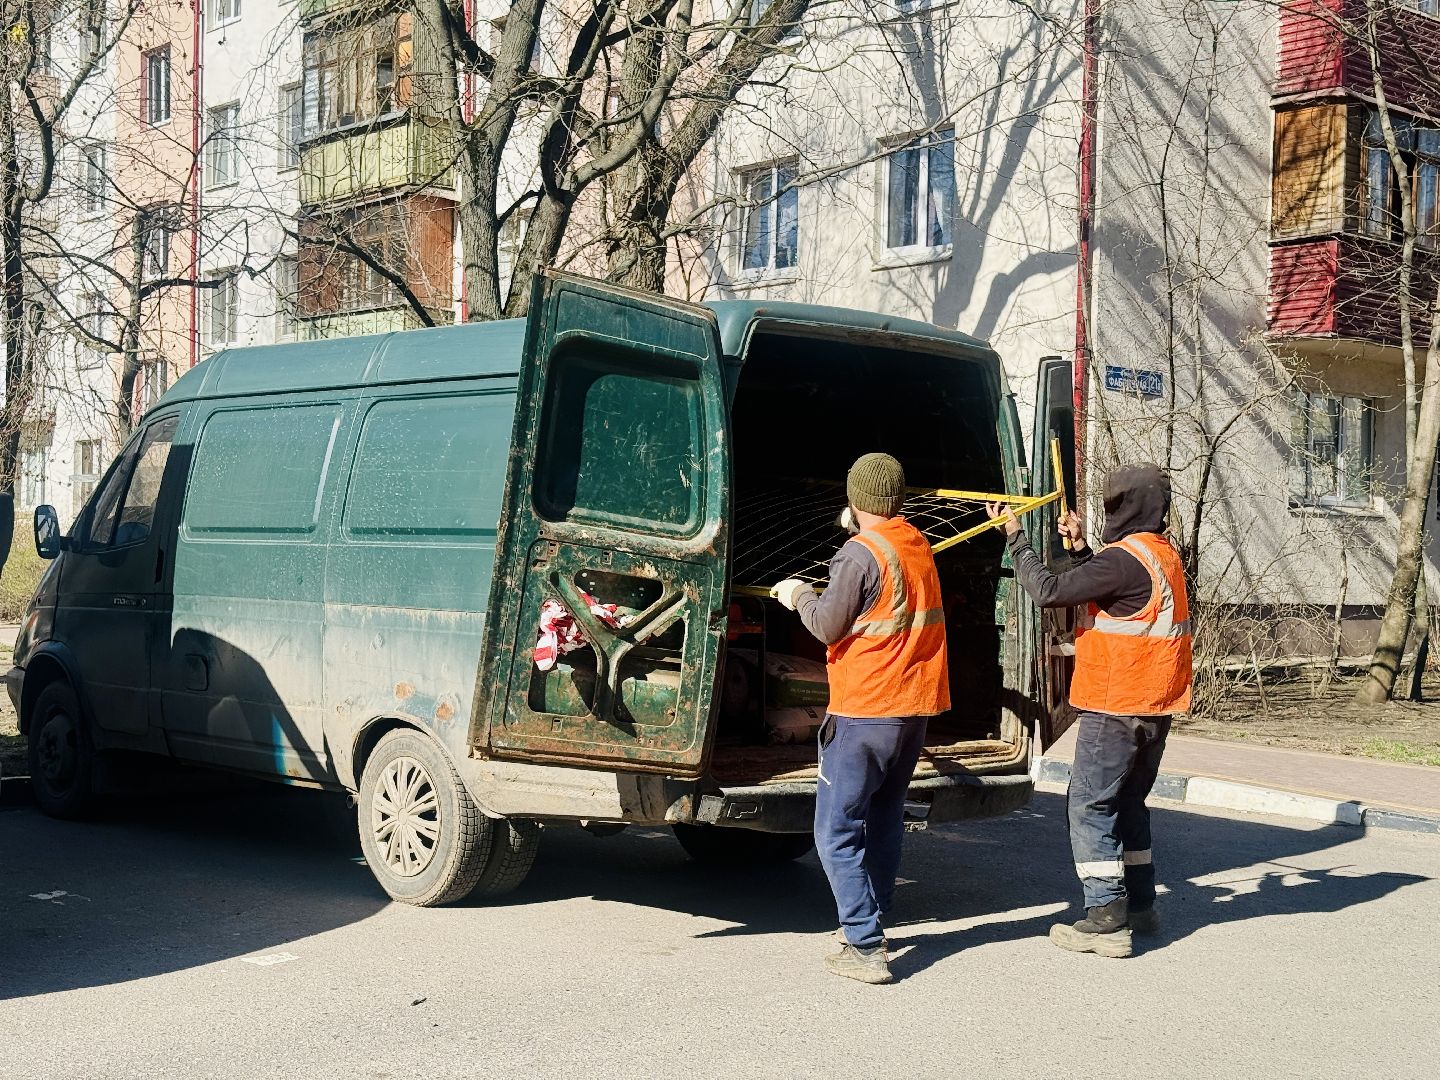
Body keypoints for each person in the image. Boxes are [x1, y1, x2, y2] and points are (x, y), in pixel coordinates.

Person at [987, 463, 1191, 959]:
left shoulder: (1124, 559)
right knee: (1128, 805)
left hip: (1114, 705)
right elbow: (1114, 590)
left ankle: (1104, 920)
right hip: (1153, 706)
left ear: (1120, 507)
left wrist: (1016, 538)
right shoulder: (1158, 554)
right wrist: (1079, 549)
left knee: (1090, 806)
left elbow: (1051, 593)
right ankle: (1140, 907)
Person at [772, 452, 950, 984]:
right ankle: (877, 914)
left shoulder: (859, 554)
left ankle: (864, 943)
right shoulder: (915, 545)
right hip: (912, 709)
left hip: (865, 710)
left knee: (835, 829)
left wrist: (797, 594)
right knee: (886, 811)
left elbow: (828, 627)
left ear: (854, 501)